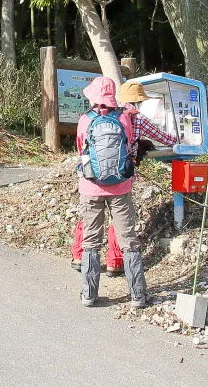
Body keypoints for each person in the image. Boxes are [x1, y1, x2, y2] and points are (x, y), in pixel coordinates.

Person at [70, 79, 178, 275]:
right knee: (120, 225)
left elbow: (80, 149)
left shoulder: (88, 118)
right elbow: (164, 138)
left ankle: (79, 258)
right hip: (121, 179)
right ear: (139, 101)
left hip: (91, 180)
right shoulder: (131, 118)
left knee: (90, 225)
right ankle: (115, 262)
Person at [75, 75, 158, 308]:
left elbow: (81, 148)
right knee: (128, 239)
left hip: (91, 187)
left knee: (91, 240)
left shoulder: (84, 119)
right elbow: (130, 145)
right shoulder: (124, 118)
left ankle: (89, 295)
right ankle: (138, 296)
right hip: (121, 186)